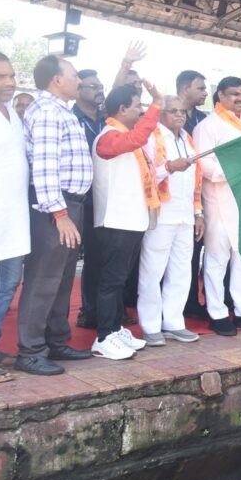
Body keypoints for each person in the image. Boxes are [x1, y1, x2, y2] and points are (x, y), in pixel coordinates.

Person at [16, 55, 94, 375]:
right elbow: (45, 166)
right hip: (55, 206)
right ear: (57, 80)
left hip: (68, 204)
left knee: (61, 278)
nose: (79, 81)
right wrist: (60, 214)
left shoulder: (60, 110)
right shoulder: (48, 112)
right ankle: (31, 350)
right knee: (44, 279)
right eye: (74, 75)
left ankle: (55, 340)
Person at [193, 76, 241, 336]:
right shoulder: (208, 125)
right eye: (235, 94)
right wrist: (236, 172)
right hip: (220, 201)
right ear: (221, 96)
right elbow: (202, 164)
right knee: (217, 259)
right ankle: (217, 313)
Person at [89, 83, 163, 359]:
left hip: (132, 220)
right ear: (122, 109)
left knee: (119, 280)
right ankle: (104, 337)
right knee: (111, 280)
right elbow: (137, 138)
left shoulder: (124, 136)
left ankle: (115, 328)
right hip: (115, 221)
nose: (141, 110)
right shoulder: (108, 136)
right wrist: (157, 105)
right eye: (137, 105)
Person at [136, 95, 202, 346]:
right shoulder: (151, 137)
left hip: (185, 214)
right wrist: (170, 167)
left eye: (182, 111)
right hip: (161, 213)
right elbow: (145, 175)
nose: (179, 115)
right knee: (152, 270)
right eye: (173, 111)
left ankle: (174, 322)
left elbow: (195, 180)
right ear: (161, 113)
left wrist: (198, 213)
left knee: (182, 270)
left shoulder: (187, 138)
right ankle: (151, 325)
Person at [0, 52, 28, 381]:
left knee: (6, 288)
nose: (9, 82)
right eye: (0, 76)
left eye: (11, 75)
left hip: (14, 219)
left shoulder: (11, 113)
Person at [72, 69, 106, 330]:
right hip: (75, 198)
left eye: (100, 85)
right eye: (93, 86)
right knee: (67, 261)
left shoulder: (108, 120)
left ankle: (96, 311)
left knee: (98, 257)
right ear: (78, 89)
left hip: (103, 198)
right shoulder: (70, 118)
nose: (99, 90)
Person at [176, 70, 210, 320]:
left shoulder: (203, 120)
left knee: (194, 250)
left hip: (199, 192)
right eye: (200, 88)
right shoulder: (165, 117)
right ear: (185, 88)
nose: (205, 93)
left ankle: (190, 301)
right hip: (172, 194)